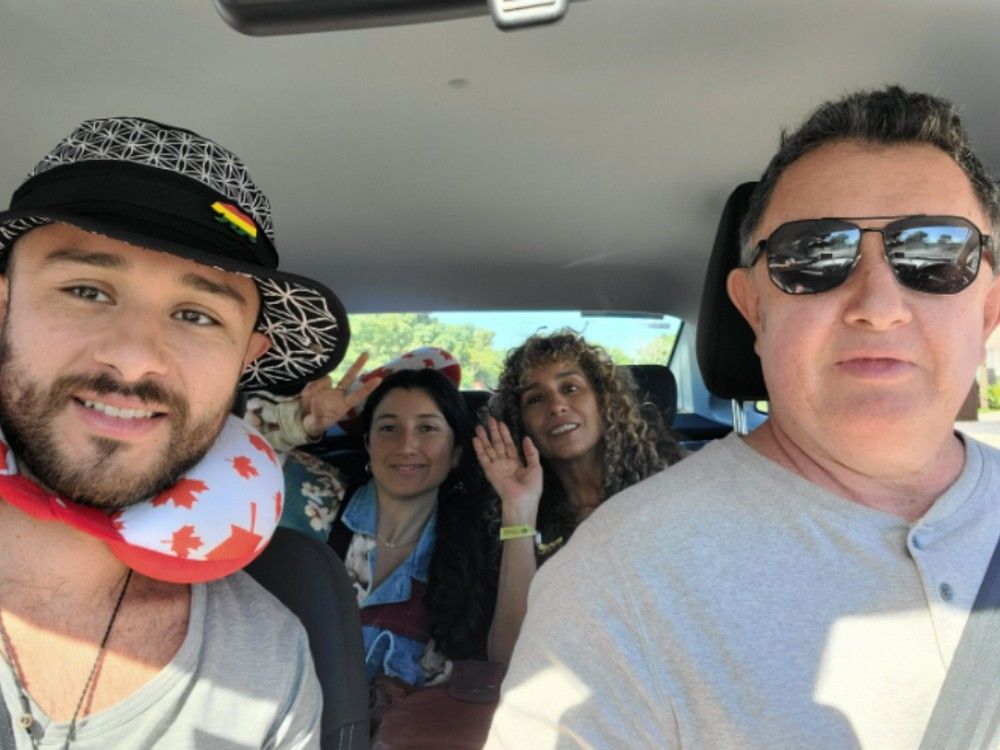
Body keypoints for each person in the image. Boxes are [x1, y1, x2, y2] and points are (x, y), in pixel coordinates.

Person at [486, 86, 1000, 749]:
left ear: (988, 310)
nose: (878, 303)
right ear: (753, 310)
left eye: (933, 254)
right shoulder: (615, 579)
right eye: (813, 256)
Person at [0, 116, 353, 748]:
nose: (135, 358)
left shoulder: (271, 662)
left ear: (246, 358)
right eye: (87, 290)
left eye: (196, 314)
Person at [474, 330, 681, 664]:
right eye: (535, 399)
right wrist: (519, 507)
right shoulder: (521, 519)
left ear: (603, 401)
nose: (556, 406)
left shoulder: (675, 484)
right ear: (521, 424)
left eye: (570, 388)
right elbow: (509, 655)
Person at [327, 368, 496, 687]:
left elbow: (507, 659)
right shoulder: (316, 502)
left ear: (456, 452)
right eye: (389, 427)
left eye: (427, 428)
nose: (406, 445)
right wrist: (293, 425)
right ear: (368, 444)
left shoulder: (477, 553)